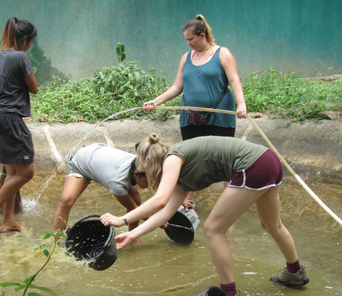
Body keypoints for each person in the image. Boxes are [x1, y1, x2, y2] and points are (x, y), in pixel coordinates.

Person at [100, 134, 309, 296]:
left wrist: (123, 220)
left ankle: (228, 292)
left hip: (252, 164)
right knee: (272, 225)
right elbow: (165, 212)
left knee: (213, 229)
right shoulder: (180, 173)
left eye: (143, 168)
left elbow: (160, 199)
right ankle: (295, 272)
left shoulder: (173, 158)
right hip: (267, 159)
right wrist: (131, 235)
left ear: (150, 163)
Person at [143, 15, 247, 201]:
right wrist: (156, 102)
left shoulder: (222, 54)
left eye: (191, 39)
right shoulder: (186, 58)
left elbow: (234, 80)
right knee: (190, 158)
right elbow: (177, 86)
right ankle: (186, 201)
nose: (188, 43)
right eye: (186, 40)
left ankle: (232, 201)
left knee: (224, 159)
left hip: (219, 116)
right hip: (190, 117)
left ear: (202, 35)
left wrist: (241, 104)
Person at [0, 17, 38, 233]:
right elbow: (34, 88)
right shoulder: (21, 57)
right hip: (9, 119)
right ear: (26, 40)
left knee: (12, 172)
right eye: (31, 41)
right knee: (26, 173)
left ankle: (9, 220)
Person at [52, 143, 149, 241]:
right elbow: (135, 210)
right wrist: (161, 222)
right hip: (83, 160)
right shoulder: (117, 181)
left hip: (100, 160)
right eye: (146, 181)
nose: (149, 184)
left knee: (135, 198)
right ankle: (55, 244)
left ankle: (132, 237)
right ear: (136, 174)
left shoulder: (140, 163)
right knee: (66, 200)